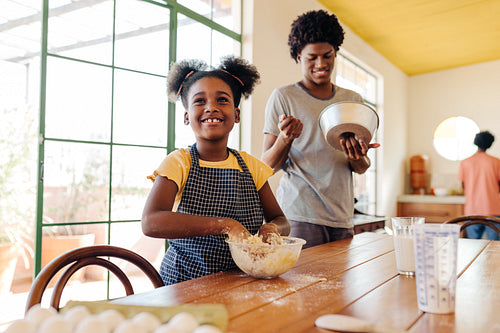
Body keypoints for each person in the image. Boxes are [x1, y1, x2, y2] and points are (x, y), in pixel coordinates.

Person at [142, 56, 290, 285]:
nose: (211, 107)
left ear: (237, 114)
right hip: (184, 285)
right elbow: (151, 222)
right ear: (186, 116)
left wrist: (271, 228)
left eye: (222, 100)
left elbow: (281, 220)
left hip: (241, 282)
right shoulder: (179, 163)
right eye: (199, 101)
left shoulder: (251, 167)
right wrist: (226, 225)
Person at [262, 10, 379, 248]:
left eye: (328, 56)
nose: (321, 64)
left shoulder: (352, 99)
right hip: (299, 215)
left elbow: (362, 167)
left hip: (342, 217)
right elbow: (266, 167)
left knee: (339, 286)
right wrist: (285, 138)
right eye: (311, 57)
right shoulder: (284, 97)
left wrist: (358, 156)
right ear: (298, 57)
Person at [457, 131, 500, 240]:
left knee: (472, 246)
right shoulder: (496, 162)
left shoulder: (465, 162)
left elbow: (464, 185)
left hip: (472, 210)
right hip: (493, 209)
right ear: (490, 144)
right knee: (494, 246)